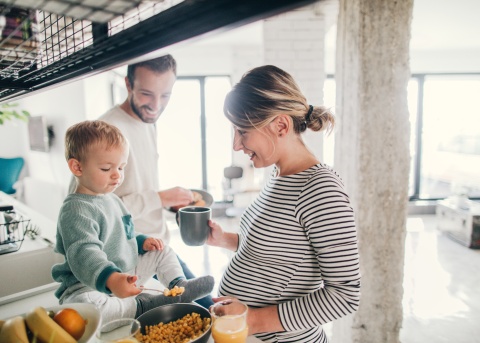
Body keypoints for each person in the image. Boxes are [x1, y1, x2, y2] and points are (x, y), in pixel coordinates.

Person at [207, 65, 361, 342]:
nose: (236, 145)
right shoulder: (279, 175)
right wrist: (224, 239)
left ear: (280, 125)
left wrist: (251, 320)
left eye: (242, 132)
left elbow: (345, 294)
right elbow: (277, 253)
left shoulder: (321, 189)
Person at [69, 54, 214, 307]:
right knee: (202, 313)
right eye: (147, 94)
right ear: (128, 85)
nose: (156, 105)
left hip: (155, 246)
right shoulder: (107, 130)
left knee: (208, 309)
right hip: (128, 260)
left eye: (165, 95)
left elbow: (133, 188)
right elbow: (88, 206)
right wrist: (159, 198)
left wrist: (167, 205)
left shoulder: (147, 122)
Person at [54, 120, 214, 323]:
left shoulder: (110, 198)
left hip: (124, 272)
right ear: (77, 167)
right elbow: (85, 254)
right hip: (87, 285)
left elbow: (123, 232)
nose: (117, 176)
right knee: (88, 308)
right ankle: (142, 305)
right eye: (106, 169)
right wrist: (111, 280)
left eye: (121, 168)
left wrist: (141, 241)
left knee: (162, 250)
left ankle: (178, 286)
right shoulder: (75, 210)